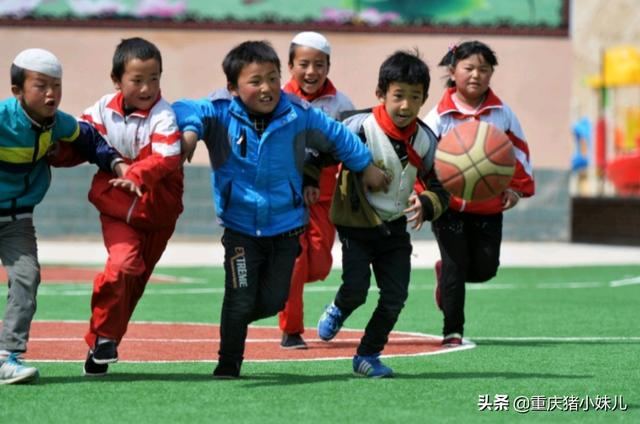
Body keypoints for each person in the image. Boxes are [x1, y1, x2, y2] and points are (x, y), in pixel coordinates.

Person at [173, 40, 389, 378]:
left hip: (286, 228)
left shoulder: (297, 114)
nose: (267, 88)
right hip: (240, 228)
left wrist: (365, 166)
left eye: (273, 78)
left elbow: (338, 136)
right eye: (256, 81)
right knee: (240, 295)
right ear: (233, 87)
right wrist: (189, 132)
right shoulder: (220, 111)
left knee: (274, 300)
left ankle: (235, 316)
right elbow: (184, 109)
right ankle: (228, 363)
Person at [316, 50, 450, 378]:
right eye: (398, 96)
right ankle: (340, 307)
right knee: (356, 289)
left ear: (424, 100)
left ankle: (368, 355)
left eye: (415, 97)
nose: (406, 105)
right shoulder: (358, 126)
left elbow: (441, 185)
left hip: (394, 229)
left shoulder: (426, 139)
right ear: (380, 94)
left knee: (395, 296)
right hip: (356, 224)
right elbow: (319, 154)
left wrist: (428, 202)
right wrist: (307, 182)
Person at [0, 48, 124, 384]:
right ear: (17, 91)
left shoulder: (59, 123)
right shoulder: (2, 118)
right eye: (41, 86)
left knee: (26, 278)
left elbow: (90, 139)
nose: (51, 93)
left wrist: (117, 164)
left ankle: (6, 357)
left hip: (17, 221)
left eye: (56, 85)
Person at [79, 37, 183, 376]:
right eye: (137, 80)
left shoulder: (164, 115)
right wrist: (53, 151)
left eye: (154, 78)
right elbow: (81, 138)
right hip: (118, 209)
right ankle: (103, 335)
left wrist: (136, 174)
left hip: (158, 213)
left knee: (134, 283)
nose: (147, 88)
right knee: (123, 266)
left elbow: (167, 157)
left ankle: (103, 342)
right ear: (117, 80)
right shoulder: (101, 109)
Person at [423, 40, 535, 347]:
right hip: (449, 206)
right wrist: (426, 197)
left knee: (485, 269)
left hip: (488, 206)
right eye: (469, 68)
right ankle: (452, 331)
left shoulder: (502, 114)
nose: (476, 75)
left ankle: (444, 275)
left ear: (491, 74)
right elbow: (422, 157)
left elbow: (519, 152)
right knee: (455, 266)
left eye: (484, 69)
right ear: (452, 71)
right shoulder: (439, 116)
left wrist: (516, 188)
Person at [278, 31, 356, 349]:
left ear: (328, 67)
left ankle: (280, 278)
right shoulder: (278, 100)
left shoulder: (341, 104)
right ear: (290, 66)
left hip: (324, 197)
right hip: (285, 199)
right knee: (294, 262)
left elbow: (350, 146)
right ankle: (291, 330)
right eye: (304, 64)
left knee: (321, 265)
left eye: (319, 65)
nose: (311, 71)